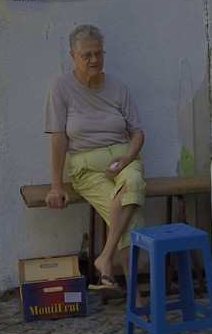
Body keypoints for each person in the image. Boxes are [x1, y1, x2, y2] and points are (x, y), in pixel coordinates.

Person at [43, 24, 146, 289]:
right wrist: (56, 186)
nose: (94, 60)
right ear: (72, 56)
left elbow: (137, 133)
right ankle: (133, 296)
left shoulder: (118, 87)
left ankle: (106, 261)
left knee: (133, 183)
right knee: (130, 214)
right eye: (87, 55)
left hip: (123, 159)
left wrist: (128, 158)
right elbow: (58, 139)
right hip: (86, 167)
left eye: (99, 53)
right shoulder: (61, 88)